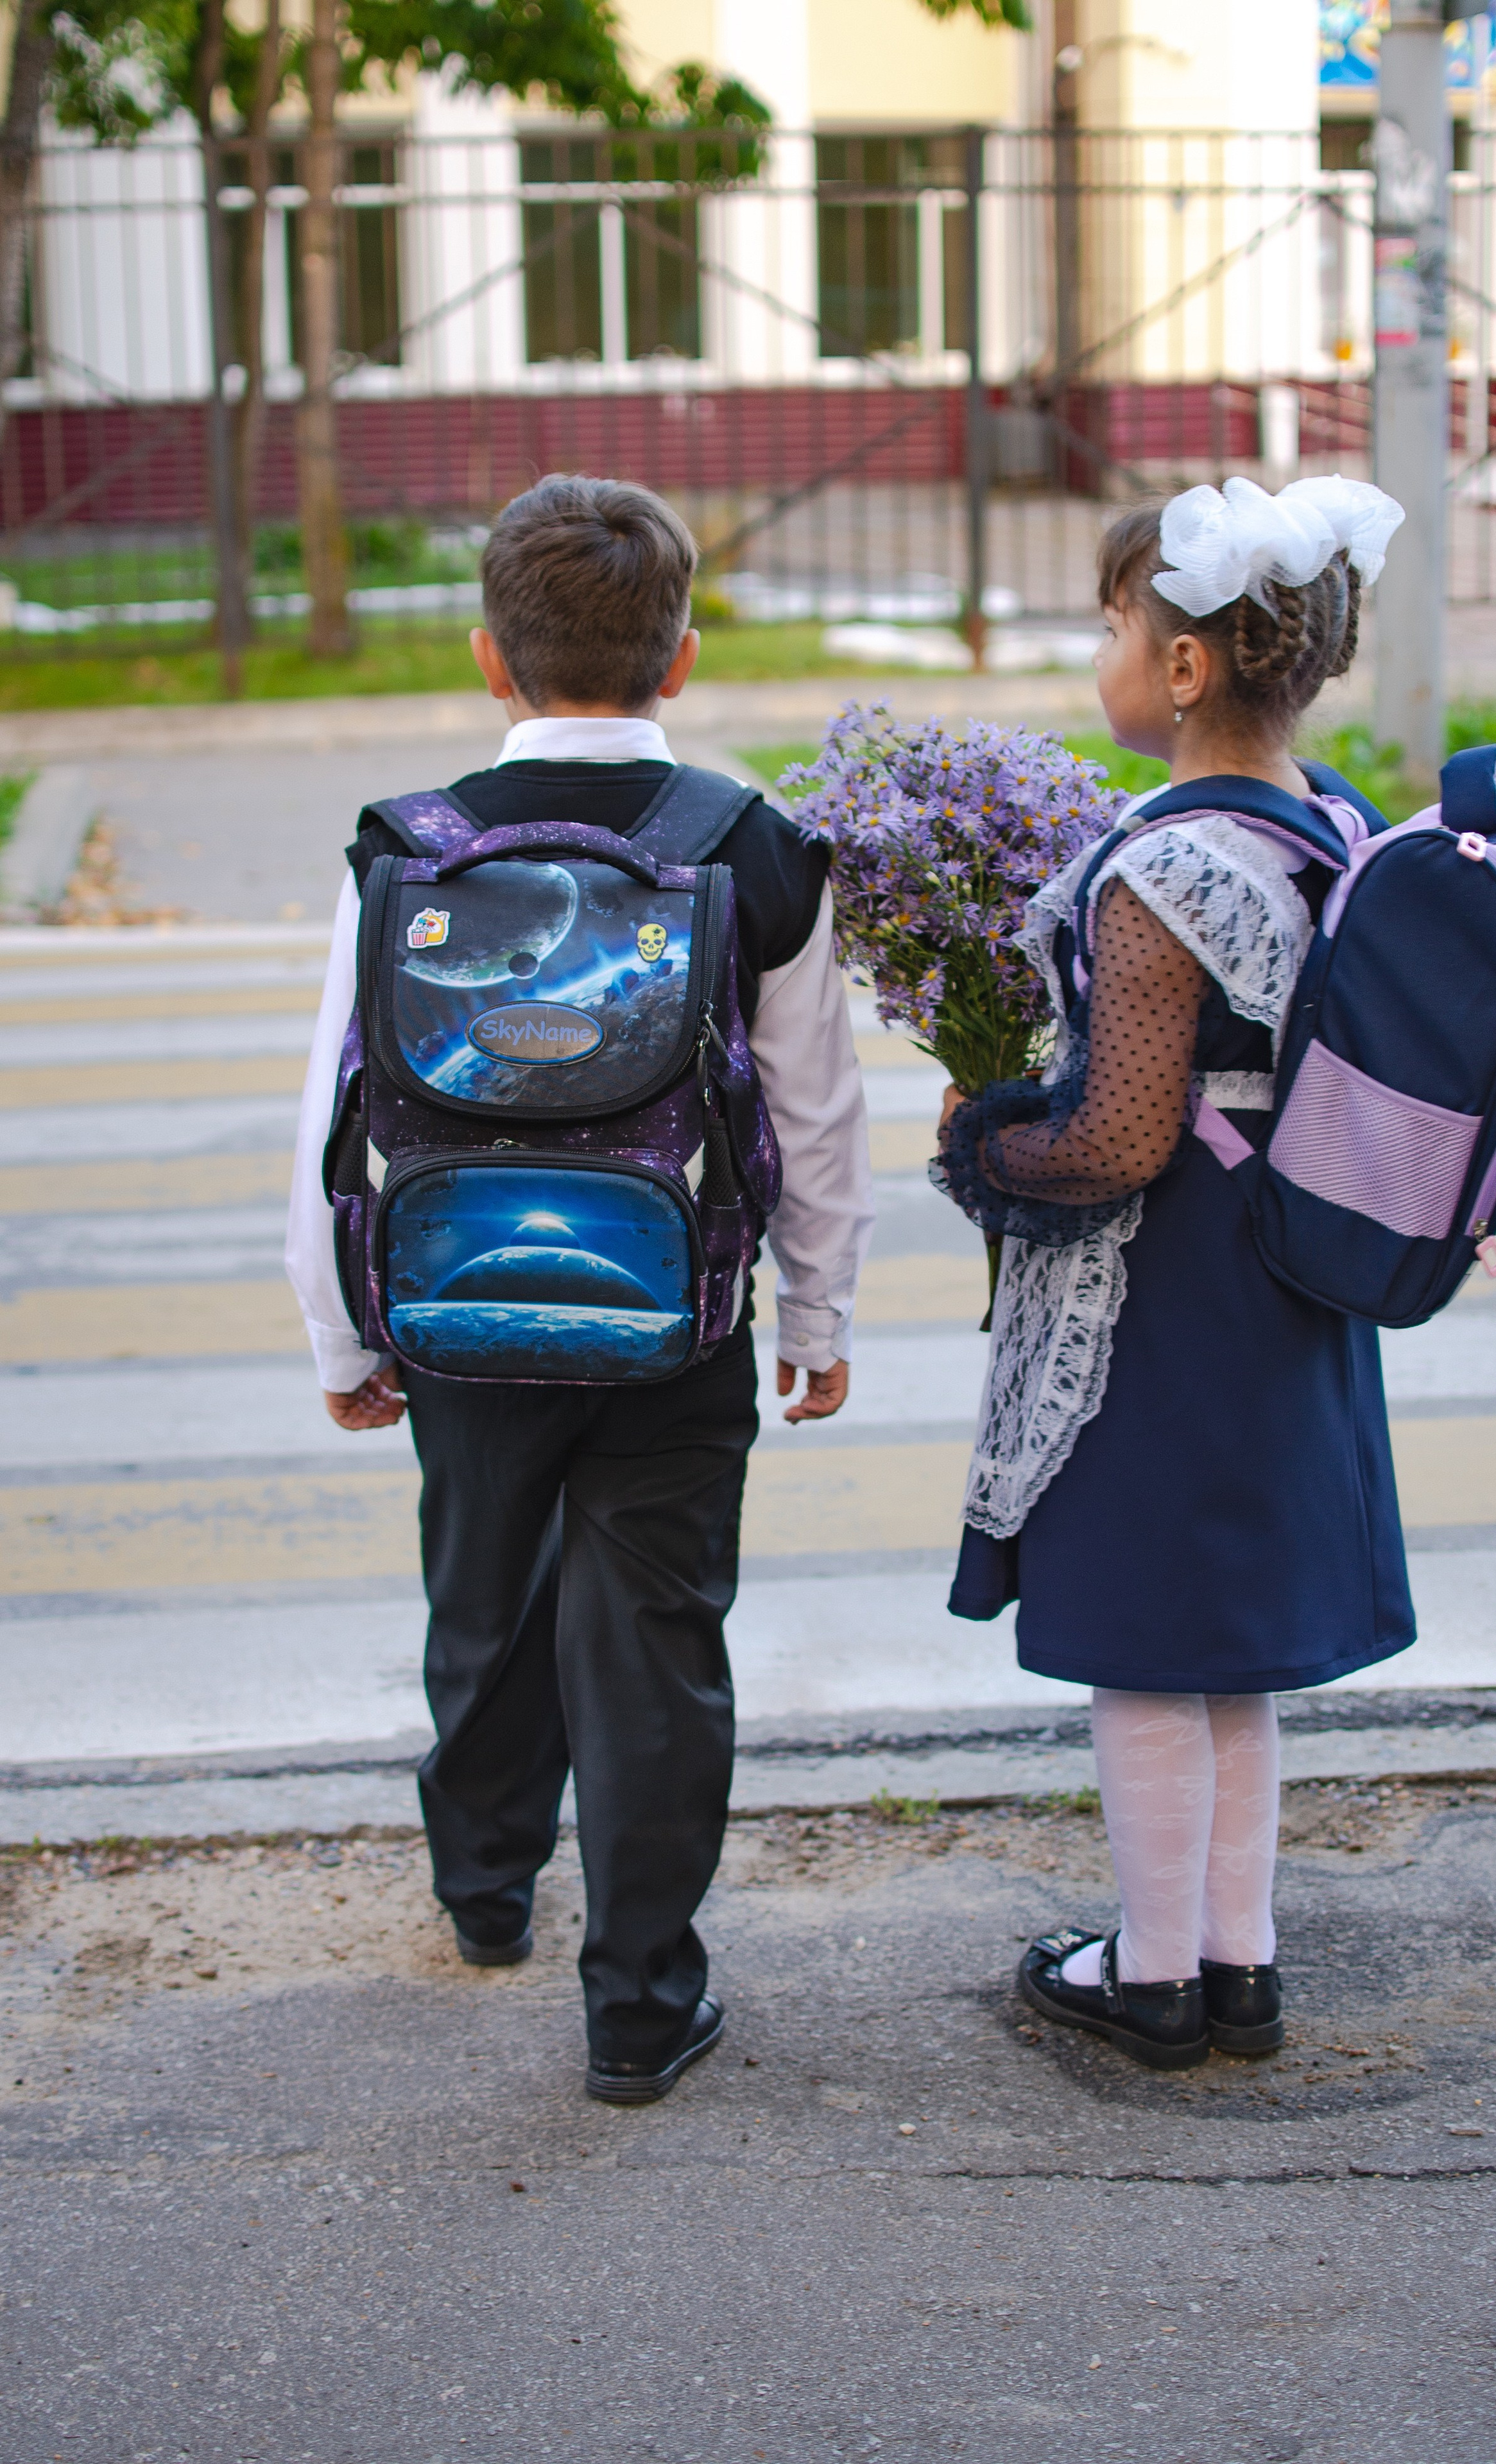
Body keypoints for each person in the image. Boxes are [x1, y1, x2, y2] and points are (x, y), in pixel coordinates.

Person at [286, 475, 872, 2103]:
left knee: (479, 1604)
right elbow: (816, 1116)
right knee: (660, 1646)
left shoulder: (406, 849)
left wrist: (342, 1326)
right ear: (681, 658)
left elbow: (329, 1109)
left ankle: (484, 1898)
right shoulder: (752, 850)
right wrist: (814, 1317)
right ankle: (638, 2006)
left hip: (459, 1305)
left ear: (492, 659)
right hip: (669, 1320)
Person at [936, 475, 1414, 2070]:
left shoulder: (1166, 868)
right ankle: (1238, 1962)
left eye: (1113, 624)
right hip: (1288, 1279)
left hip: (1170, 1297)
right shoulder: (1329, 822)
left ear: (1186, 667)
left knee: (1146, 1633)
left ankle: (1146, 1978)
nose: (1105, 652)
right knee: (1232, 1642)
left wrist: (986, 1144)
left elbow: (1118, 1142)